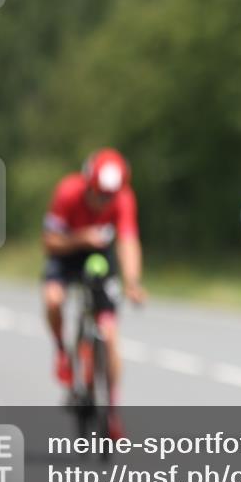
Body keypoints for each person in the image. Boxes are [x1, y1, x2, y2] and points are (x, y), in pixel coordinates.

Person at [42, 148, 147, 438]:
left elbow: (128, 241)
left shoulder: (123, 198)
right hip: (66, 250)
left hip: (100, 255)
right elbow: (49, 241)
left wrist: (133, 282)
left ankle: (112, 410)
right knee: (53, 299)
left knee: (110, 335)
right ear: (88, 184)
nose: (103, 203)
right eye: (99, 196)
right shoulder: (67, 192)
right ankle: (63, 352)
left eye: (109, 197)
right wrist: (80, 238)